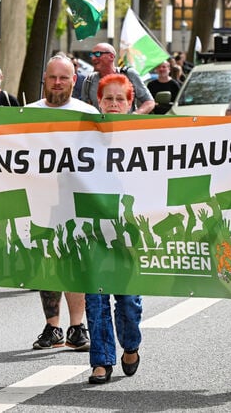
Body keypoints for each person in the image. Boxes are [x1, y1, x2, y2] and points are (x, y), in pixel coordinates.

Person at [28, 55, 98, 352]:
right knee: (47, 263)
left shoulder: (87, 113)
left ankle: (76, 325)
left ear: (74, 81)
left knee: (74, 262)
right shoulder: (26, 113)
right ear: (44, 78)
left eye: (64, 78)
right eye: (53, 77)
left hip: (74, 202)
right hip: (39, 201)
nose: (58, 83)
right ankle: (52, 327)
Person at [86, 74, 144, 384]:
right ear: (99, 102)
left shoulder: (142, 137)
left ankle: (131, 344)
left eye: (119, 99)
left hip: (129, 232)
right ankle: (101, 361)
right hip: (94, 231)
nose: (113, 103)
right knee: (96, 298)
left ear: (130, 102)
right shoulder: (85, 137)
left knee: (128, 301)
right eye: (108, 98)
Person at [80, 43, 155, 114]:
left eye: (97, 54)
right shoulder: (89, 80)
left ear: (111, 57)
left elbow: (149, 102)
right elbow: (84, 108)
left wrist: (135, 115)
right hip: (99, 126)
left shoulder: (129, 74)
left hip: (125, 126)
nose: (93, 58)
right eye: (91, 55)